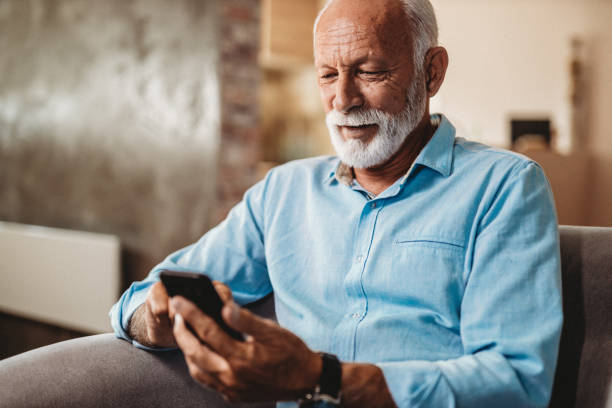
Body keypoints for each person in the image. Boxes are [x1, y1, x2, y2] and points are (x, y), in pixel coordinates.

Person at [110, 0, 563, 406]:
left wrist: (321, 378)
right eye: (328, 74)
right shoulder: (282, 192)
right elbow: (137, 301)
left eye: (369, 71)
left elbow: (516, 382)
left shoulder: (504, 186)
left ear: (432, 72)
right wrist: (159, 319)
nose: (342, 100)